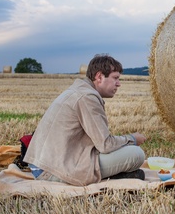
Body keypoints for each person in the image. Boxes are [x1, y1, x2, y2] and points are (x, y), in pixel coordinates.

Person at [24, 54, 147, 186]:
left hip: (44, 163)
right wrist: (132, 139)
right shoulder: (87, 98)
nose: (119, 84)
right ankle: (116, 176)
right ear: (99, 77)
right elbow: (105, 145)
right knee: (136, 154)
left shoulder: (79, 90)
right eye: (115, 78)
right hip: (52, 170)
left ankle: (117, 175)